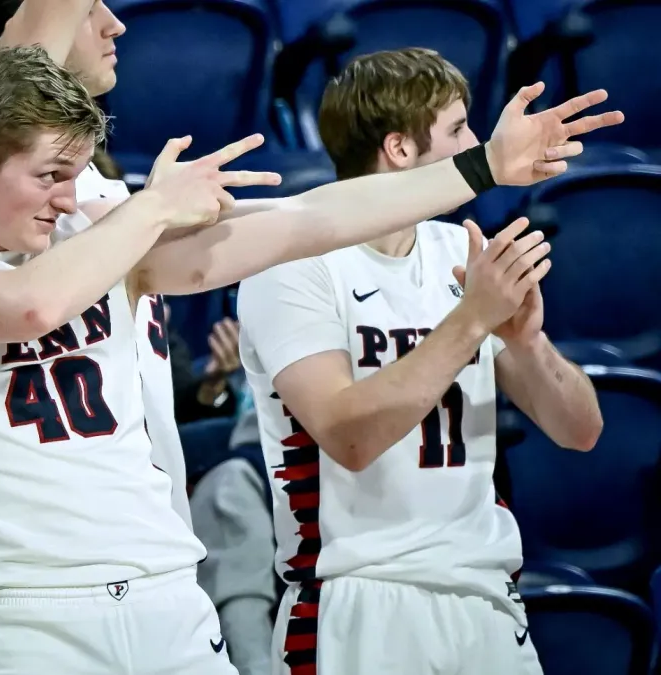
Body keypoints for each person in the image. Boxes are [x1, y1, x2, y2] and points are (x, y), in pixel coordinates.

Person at [0, 43, 620, 674]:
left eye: (78, 178)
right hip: (28, 616)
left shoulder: (102, 238)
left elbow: (307, 219)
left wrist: (478, 169)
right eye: (49, 175)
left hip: (172, 603)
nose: (68, 200)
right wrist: (146, 208)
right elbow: (32, 306)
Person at [235, 48, 606, 675]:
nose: (479, 144)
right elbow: (349, 436)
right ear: (400, 150)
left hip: (485, 594)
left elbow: (581, 430)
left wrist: (526, 341)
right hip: (359, 596)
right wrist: (472, 319)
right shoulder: (293, 265)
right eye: (459, 129)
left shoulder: (461, 251)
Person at [0, 0, 207, 529]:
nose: (115, 24)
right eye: (87, 10)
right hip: (63, 559)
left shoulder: (91, 183)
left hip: (153, 538)